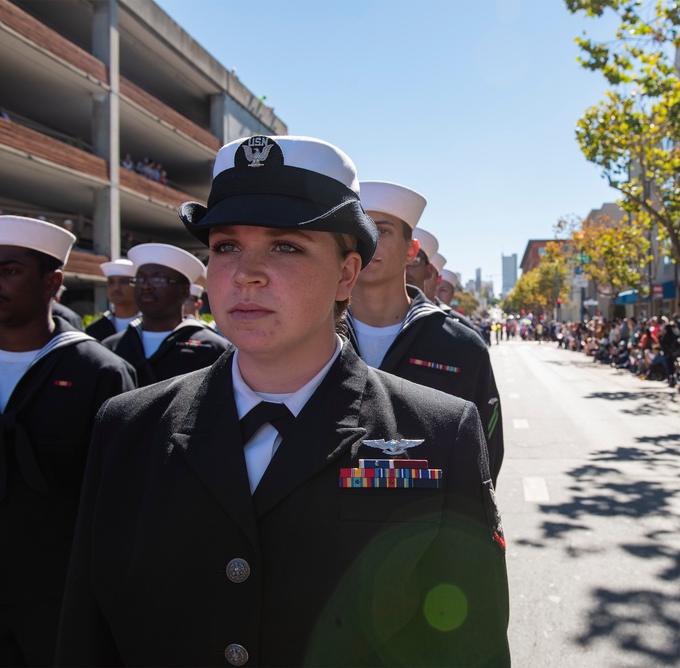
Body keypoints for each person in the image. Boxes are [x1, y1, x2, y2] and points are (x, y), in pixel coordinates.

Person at [56, 135, 510, 667]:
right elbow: (88, 634)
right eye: (226, 246)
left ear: (346, 273)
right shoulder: (129, 426)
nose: (246, 272)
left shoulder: (439, 433)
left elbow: (468, 646)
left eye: (286, 246)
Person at [0, 215, 135, 666]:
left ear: (53, 282)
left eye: (9, 271)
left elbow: (121, 494)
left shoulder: (98, 371)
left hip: (58, 592)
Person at [349, 181, 504, 482]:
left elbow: (486, 453)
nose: (368, 239)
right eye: (359, 227)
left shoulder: (461, 346)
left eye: (383, 230)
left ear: (412, 250)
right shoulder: (312, 338)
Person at [102, 243, 229, 386]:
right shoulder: (111, 347)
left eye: (159, 279)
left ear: (184, 291)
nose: (145, 286)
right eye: (140, 279)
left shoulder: (212, 348)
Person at [85, 259, 140, 341]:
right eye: (111, 282)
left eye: (123, 282)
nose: (116, 288)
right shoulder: (94, 330)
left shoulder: (151, 326)